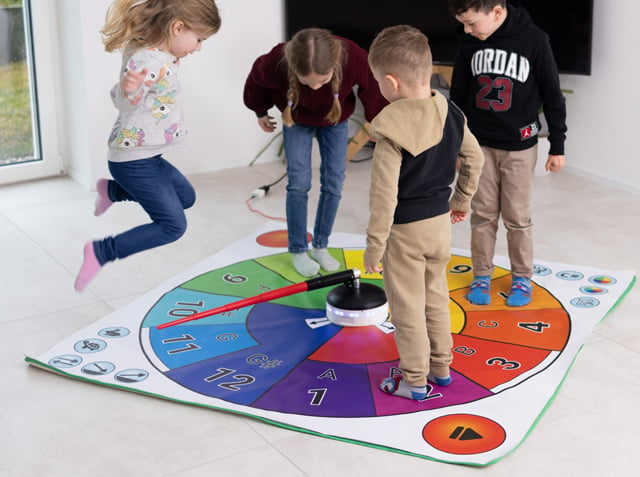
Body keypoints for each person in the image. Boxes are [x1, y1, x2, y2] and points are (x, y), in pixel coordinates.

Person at [363, 25, 484, 401]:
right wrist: (461, 200)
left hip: (405, 233)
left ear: (391, 82)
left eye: (377, 83)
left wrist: (374, 247)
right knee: (435, 296)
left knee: (407, 309)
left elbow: (383, 197)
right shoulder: (451, 113)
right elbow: (474, 158)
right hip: (439, 227)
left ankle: (414, 381)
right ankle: (442, 367)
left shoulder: (391, 130)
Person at [74, 0, 221, 291]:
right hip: (133, 160)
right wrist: (127, 90)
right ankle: (102, 251)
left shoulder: (161, 53)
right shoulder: (148, 60)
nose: (198, 47)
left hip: (148, 155)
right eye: (199, 39)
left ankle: (112, 190)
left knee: (186, 197)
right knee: (173, 226)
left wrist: (172, 59)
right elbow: (126, 100)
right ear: (177, 27)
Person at [448, 0, 568, 307]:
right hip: (480, 147)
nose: (467, 29)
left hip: (520, 148)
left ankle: (521, 279)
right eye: (463, 23)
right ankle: (481, 275)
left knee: (517, 217)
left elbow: (553, 95)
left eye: (472, 22)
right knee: (483, 215)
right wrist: (457, 144)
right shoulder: (469, 42)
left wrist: (557, 145)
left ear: (497, 13)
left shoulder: (535, 40)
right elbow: (458, 96)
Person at [243, 28, 387, 277]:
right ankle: (298, 249)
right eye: (307, 82)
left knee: (333, 183)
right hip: (296, 119)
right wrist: (260, 111)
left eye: (322, 81)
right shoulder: (277, 59)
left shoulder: (352, 56)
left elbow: (373, 86)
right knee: (298, 183)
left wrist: (377, 120)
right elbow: (256, 78)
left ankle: (321, 245)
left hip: (335, 120)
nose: (316, 87)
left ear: (334, 65)